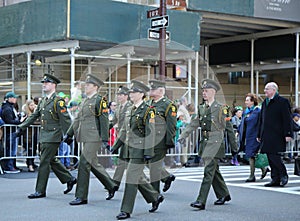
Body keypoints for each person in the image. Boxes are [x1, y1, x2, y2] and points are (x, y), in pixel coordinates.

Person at [178, 79, 238, 210]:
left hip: (215, 144)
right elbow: (194, 123)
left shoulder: (222, 108)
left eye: (206, 91)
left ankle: (201, 200)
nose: (204, 93)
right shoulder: (201, 108)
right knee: (214, 170)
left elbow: (229, 129)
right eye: (203, 91)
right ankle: (224, 194)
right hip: (205, 144)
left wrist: (234, 148)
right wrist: (183, 136)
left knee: (208, 172)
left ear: (213, 92)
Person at [17, 73, 77, 199]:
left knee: (44, 161)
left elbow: (65, 120)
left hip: (54, 135)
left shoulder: (58, 101)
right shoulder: (43, 100)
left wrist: (69, 135)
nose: (44, 85)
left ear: (54, 85)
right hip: (44, 135)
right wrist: (21, 127)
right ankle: (69, 178)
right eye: (43, 83)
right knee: (50, 159)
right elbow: (34, 116)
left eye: (47, 83)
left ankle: (40, 190)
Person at [112, 80, 164, 220]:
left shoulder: (148, 110)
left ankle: (126, 209)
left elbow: (150, 132)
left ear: (141, 94)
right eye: (130, 92)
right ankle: (155, 197)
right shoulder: (130, 109)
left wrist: (148, 152)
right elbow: (124, 130)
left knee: (131, 177)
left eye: (133, 92)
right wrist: (116, 145)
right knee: (137, 176)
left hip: (140, 149)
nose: (130, 94)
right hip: (130, 148)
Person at [64, 74, 118, 205]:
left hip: (94, 137)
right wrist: (69, 133)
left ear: (95, 87)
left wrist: (104, 139)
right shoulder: (85, 100)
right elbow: (77, 119)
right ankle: (111, 185)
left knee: (84, 163)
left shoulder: (100, 101)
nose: (85, 87)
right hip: (85, 136)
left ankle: (81, 196)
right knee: (93, 163)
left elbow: (104, 120)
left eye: (88, 85)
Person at [257, 82, 293, 187]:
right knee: (270, 157)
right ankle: (275, 178)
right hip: (266, 134)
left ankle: (283, 175)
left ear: (274, 90)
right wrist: (259, 133)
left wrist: (288, 133)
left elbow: (287, 119)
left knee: (275, 156)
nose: (265, 91)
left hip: (277, 134)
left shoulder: (282, 102)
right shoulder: (265, 103)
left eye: (267, 89)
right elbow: (261, 120)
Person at [147, 79, 177, 193]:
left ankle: (155, 195)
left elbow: (171, 125)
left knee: (154, 167)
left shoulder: (168, 105)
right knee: (148, 162)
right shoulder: (149, 103)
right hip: (148, 140)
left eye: (153, 89)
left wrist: (169, 141)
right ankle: (166, 177)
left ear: (161, 90)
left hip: (160, 140)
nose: (150, 91)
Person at [238, 93, 269, 182]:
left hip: (255, 136)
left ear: (252, 101)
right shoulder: (246, 112)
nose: (246, 102)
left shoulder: (258, 111)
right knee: (251, 154)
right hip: (248, 136)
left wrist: (261, 135)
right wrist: (238, 132)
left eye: (248, 100)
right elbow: (243, 123)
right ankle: (264, 168)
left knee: (252, 154)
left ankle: (252, 175)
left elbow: (262, 123)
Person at [110, 86, 131, 190]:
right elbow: (114, 121)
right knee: (122, 161)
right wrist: (105, 129)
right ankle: (115, 183)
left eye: (121, 95)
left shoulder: (130, 106)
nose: (118, 97)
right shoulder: (119, 107)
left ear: (126, 96)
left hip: (129, 137)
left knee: (132, 162)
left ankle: (164, 177)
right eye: (118, 95)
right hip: (121, 137)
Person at [1, 91, 26, 173]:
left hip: (12, 131)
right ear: (9, 98)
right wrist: (20, 121)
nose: (15, 99)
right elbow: (8, 120)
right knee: (11, 150)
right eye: (14, 97)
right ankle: (9, 166)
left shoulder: (9, 107)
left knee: (12, 150)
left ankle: (12, 166)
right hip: (10, 131)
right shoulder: (7, 108)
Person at [22, 99, 39, 172]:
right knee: (29, 150)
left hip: (34, 134)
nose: (33, 106)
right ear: (28, 106)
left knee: (34, 149)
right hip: (28, 135)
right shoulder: (26, 113)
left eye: (33, 105)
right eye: (31, 105)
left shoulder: (35, 113)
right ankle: (30, 164)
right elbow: (31, 122)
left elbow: (39, 121)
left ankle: (32, 162)